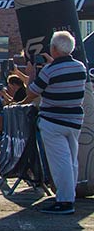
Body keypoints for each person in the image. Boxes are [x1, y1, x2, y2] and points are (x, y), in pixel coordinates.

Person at [23, 31, 87, 215]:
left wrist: (31, 75)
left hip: (53, 120)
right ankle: (69, 196)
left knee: (61, 162)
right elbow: (63, 77)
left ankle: (65, 201)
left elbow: (32, 92)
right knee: (71, 160)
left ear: (54, 48)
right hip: (74, 120)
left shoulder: (50, 71)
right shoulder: (80, 67)